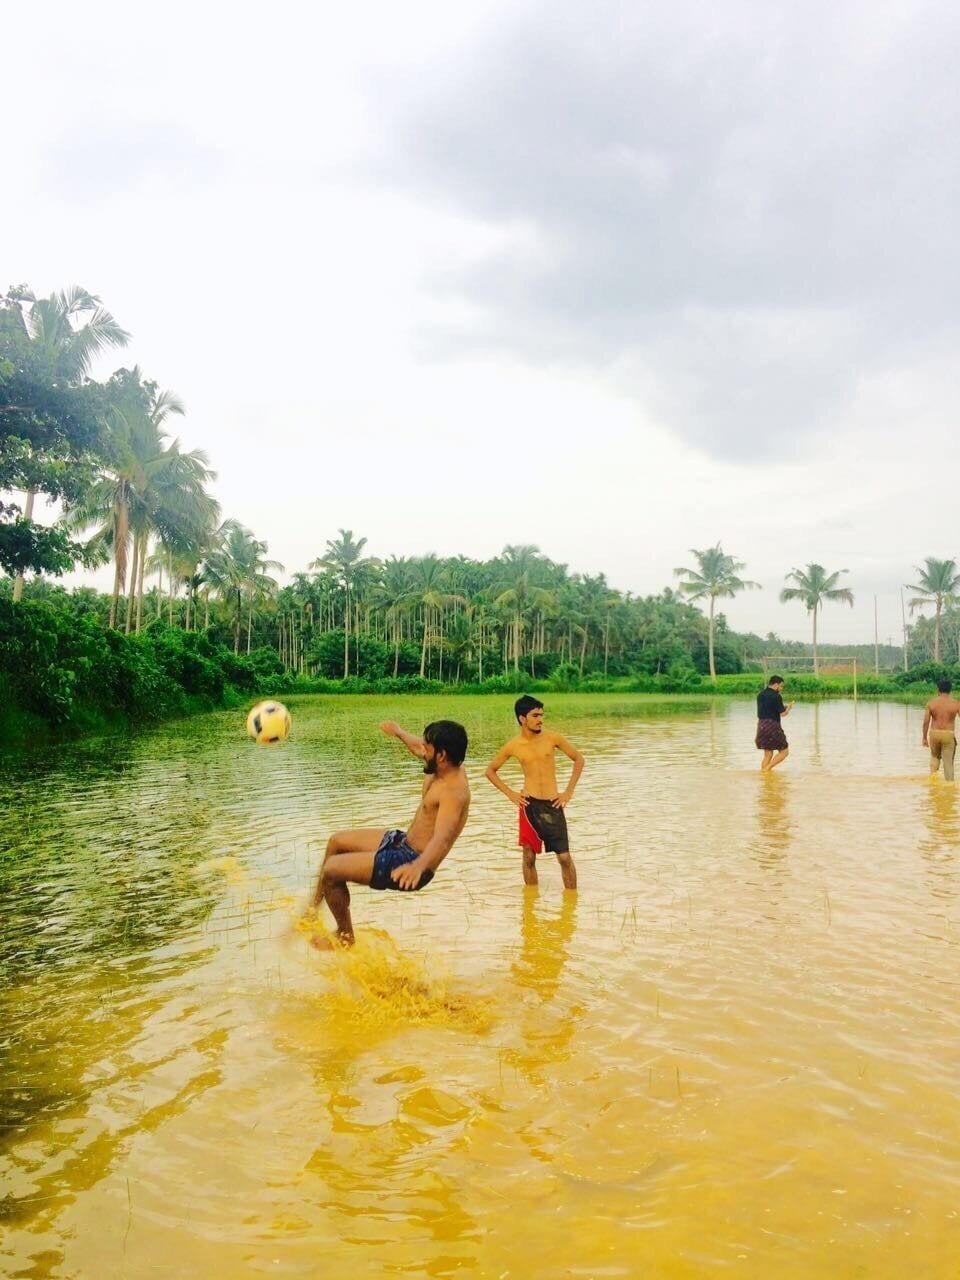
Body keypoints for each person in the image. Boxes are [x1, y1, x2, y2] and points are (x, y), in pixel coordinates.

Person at [309, 719, 470, 946]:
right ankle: (312, 909)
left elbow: (442, 839)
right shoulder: (442, 765)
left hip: (412, 861)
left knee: (331, 870)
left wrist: (418, 866)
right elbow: (417, 746)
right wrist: (399, 732)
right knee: (336, 842)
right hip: (402, 841)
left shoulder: (454, 792)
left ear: (441, 755)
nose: (421, 751)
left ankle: (345, 937)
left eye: (427, 749)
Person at [485, 695, 584, 890]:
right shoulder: (513, 745)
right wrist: (510, 794)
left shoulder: (552, 738)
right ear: (523, 718)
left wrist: (568, 792)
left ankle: (572, 905)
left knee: (564, 857)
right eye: (535, 715)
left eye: (541, 715)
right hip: (528, 805)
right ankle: (530, 905)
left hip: (553, 804)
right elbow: (490, 771)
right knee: (528, 856)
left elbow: (578, 759)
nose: (540, 719)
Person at [922, 678, 960, 781]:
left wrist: (924, 738)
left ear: (938, 690)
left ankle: (932, 781)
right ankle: (949, 788)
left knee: (934, 757)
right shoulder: (956, 704)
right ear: (950, 690)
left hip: (934, 734)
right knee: (948, 763)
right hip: (948, 734)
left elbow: (926, 722)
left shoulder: (931, 703)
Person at [756, 675, 793, 771]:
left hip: (761, 725)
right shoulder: (777, 696)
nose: (781, 688)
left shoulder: (760, 694)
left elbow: (769, 709)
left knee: (767, 755)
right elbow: (782, 714)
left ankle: (765, 777)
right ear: (776, 684)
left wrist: (783, 707)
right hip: (772, 726)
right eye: (781, 686)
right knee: (784, 751)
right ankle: (768, 768)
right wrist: (788, 708)